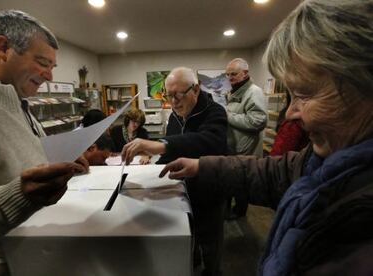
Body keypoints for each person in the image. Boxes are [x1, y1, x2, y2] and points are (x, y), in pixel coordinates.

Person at [160, 0, 373, 275]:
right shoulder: (327, 155)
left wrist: (225, 119)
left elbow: (252, 124)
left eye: (305, 94)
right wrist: (201, 166)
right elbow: (274, 172)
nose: (292, 112)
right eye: (290, 95)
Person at [0, 10, 88, 274]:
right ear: (3, 48)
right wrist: (21, 194)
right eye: (42, 62)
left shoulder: (15, 100)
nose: (49, 76)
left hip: (34, 255)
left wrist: (61, 159)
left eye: (52, 67)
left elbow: (18, 159)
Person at [122, 67, 228, 276]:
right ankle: (194, 262)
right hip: (184, 188)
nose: (173, 101)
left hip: (209, 189)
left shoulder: (215, 112)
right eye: (168, 95)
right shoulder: (175, 116)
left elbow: (210, 142)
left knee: (211, 240)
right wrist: (152, 170)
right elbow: (172, 152)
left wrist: (161, 145)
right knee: (191, 235)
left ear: (195, 90)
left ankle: (213, 271)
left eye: (178, 95)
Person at [225, 58, 267, 220]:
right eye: (227, 74)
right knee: (231, 179)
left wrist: (228, 116)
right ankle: (229, 210)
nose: (230, 77)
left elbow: (258, 121)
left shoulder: (253, 92)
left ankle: (239, 213)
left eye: (234, 74)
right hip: (235, 146)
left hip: (245, 148)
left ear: (245, 73)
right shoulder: (235, 90)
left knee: (241, 182)